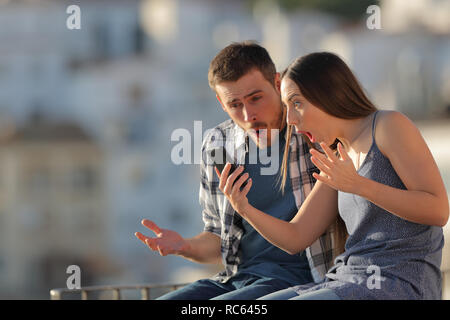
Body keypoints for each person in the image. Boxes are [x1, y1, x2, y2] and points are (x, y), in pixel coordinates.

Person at [217, 51, 449, 300]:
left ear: (326, 93)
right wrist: (245, 209)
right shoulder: (338, 157)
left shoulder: (387, 125)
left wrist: (359, 185)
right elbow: (296, 237)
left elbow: (437, 210)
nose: (291, 119)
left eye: (296, 103)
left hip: (399, 281)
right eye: (287, 107)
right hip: (347, 277)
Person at [135, 42, 341, 300]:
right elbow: (217, 240)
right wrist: (184, 246)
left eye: (256, 98)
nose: (248, 114)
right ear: (221, 103)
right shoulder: (217, 145)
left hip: (301, 280)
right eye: (235, 104)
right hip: (237, 278)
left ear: (278, 84)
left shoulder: (309, 131)